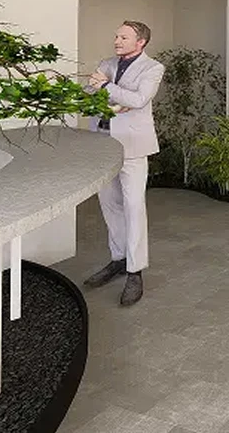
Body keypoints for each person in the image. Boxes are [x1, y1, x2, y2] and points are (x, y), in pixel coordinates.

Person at [82, 21, 165, 306]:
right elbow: (88, 92)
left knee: (133, 207)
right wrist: (116, 95)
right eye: (116, 35)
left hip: (133, 148)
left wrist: (106, 86)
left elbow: (140, 99)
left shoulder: (153, 68)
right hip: (102, 143)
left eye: (123, 36)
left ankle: (135, 271)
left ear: (140, 42)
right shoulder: (107, 62)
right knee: (109, 205)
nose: (116, 40)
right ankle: (118, 260)